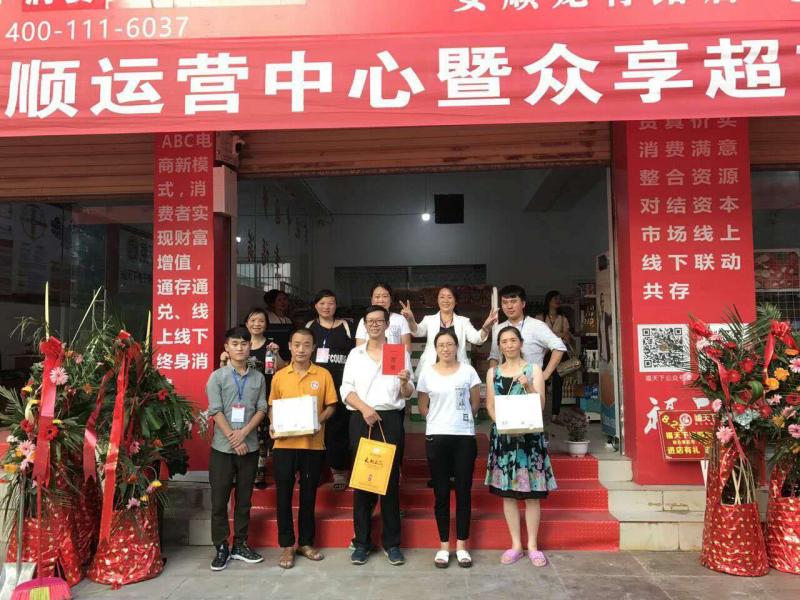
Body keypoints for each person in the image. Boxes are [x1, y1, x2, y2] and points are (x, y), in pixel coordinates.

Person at [341, 305, 414, 567]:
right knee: (363, 481)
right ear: (364, 325)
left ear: (386, 325)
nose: (374, 325)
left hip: (390, 419)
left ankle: (392, 544)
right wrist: (365, 409)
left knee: (389, 482)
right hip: (362, 418)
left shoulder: (398, 352)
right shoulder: (355, 354)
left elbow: (407, 393)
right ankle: (362, 542)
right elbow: (346, 390)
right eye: (370, 321)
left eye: (379, 321)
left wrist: (405, 382)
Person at [486, 326, 557, 568]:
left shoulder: (533, 369)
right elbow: (490, 405)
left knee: (532, 496)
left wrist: (528, 386)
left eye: (513, 340)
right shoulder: (493, 372)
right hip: (505, 439)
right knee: (508, 495)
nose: (509, 345)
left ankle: (533, 546)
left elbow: (541, 404)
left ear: (521, 343)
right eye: (504, 341)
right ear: (499, 346)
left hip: (529, 441)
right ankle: (516, 544)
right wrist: (504, 425)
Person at [268, 328, 338, 569]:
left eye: (306, 345)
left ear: (313, 348)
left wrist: (319, 420)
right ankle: (287, 545)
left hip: (313, 445)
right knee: (283, 495)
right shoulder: (280, 376)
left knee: (309, 496)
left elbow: (331, 406)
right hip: (284, 445)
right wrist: (272, 424)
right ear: (289, 346)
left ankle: (306, 543)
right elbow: (272, 406)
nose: (301, 349)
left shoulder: (323, 374)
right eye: (297, 344)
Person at [416, 330, 481, 569]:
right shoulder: (427, 373)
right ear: (436, 349)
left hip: (464, 437)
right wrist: (439, 420)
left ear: (457, 347)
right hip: (436, 436)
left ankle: (462, 546)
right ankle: (444, 546)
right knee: (441, 493)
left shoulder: (468, 371)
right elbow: (423, 406)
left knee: (463, 491)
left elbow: (475, 403)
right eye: (441, 345)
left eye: (450, 344)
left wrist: (459, 419)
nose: (446, 348)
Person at [206, 326, 267, 571]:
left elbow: (262, 408)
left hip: (249, 448)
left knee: (244, 500)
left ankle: (240, 544)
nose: (240, 348)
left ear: (250, 347)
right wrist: (234, 438)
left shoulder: (258, 378)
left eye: (244, 343)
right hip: (223, 448)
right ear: (226, 348)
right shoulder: (217, 377)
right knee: (219, 500)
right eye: (235, 344)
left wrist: (244, 434)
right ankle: (221, 545)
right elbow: (215, 410)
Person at [219, 308, 286, 488]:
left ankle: (259, 472)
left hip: (263, 397)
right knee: (237, 430)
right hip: (238, 399)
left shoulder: (271, 346)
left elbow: (282, 369)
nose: (257, 324)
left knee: (261, 436)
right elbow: (224, 373)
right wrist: (222, 360)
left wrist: (276, 354)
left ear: (266, 324)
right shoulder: (237, 345)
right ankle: (235, 471)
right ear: (246, 323)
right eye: (253, 320)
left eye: (261, 321)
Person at [306, 289, 355, 490]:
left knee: (338, 428)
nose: (327, 307)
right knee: (314, 427)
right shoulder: (309, 327)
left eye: (331, 303)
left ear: (336, 305)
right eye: (322, 303)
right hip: (313, 385)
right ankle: (314, 471)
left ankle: (339, 472)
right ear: (316, 306)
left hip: (341, 385)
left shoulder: (347, 326)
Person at [399, 285, 497, 378]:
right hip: (431, 369)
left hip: (457, 370)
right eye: (442, 297)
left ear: (455, 301)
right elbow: (417, 332)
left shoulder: (463, 321)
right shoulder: (429, 320)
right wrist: (411, 320)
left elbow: (477, 339)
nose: (445, 300)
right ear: (437, 300)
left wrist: (486, 327)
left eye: (449, 297)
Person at [488, 285, 566, 381]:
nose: (509, 306)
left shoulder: (536, 325)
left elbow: (559, 347)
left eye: (513, 301)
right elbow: (494, 358)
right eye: (505, 302)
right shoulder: (499, 329)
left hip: (532, 385)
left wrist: (545, 375)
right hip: (505, 385)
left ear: (523, 304)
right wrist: (493, 381)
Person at [535, 290, 573, 425]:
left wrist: (553, 335)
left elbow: (567, 337)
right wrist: (558, 334)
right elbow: (537, 336)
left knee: (558, 384)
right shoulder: (539, 318)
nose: (558, 301)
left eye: (559, 298)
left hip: (558, 354)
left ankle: (555, 415)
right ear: (548, 300)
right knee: (539, 382)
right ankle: (537, 412)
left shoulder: (563, 319)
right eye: (555, 298)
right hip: (543, 354)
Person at [354, 283, 411, 351]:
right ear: (371, 300)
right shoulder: (364, 320)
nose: (381, 300)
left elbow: (407, 349)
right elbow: (359, 349)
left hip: (394, 357)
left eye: (385, 296)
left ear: (391, 299)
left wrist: (389, 353)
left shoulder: (400, 319)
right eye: (377, 296)